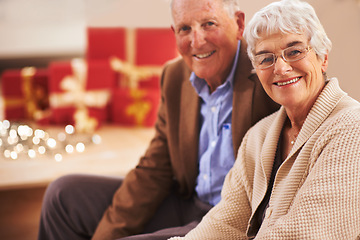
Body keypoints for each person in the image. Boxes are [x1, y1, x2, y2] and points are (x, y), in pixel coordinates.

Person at [37, 0, 279, 240]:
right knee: (62, 195)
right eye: (185, 29)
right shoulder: (174, 76)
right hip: (188, 204)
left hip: (235, 220)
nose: (196, 40)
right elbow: (155, 169)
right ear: (174, 33)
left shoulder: (267, 71)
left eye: (209, 24)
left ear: (238, 24)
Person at [169, 0, 360, 239]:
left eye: (294, 51)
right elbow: (225, 223)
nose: (280, 67)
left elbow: (304, 234)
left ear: (323, 58)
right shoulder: (258, 136)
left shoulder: (353, 129)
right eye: (265, 58)